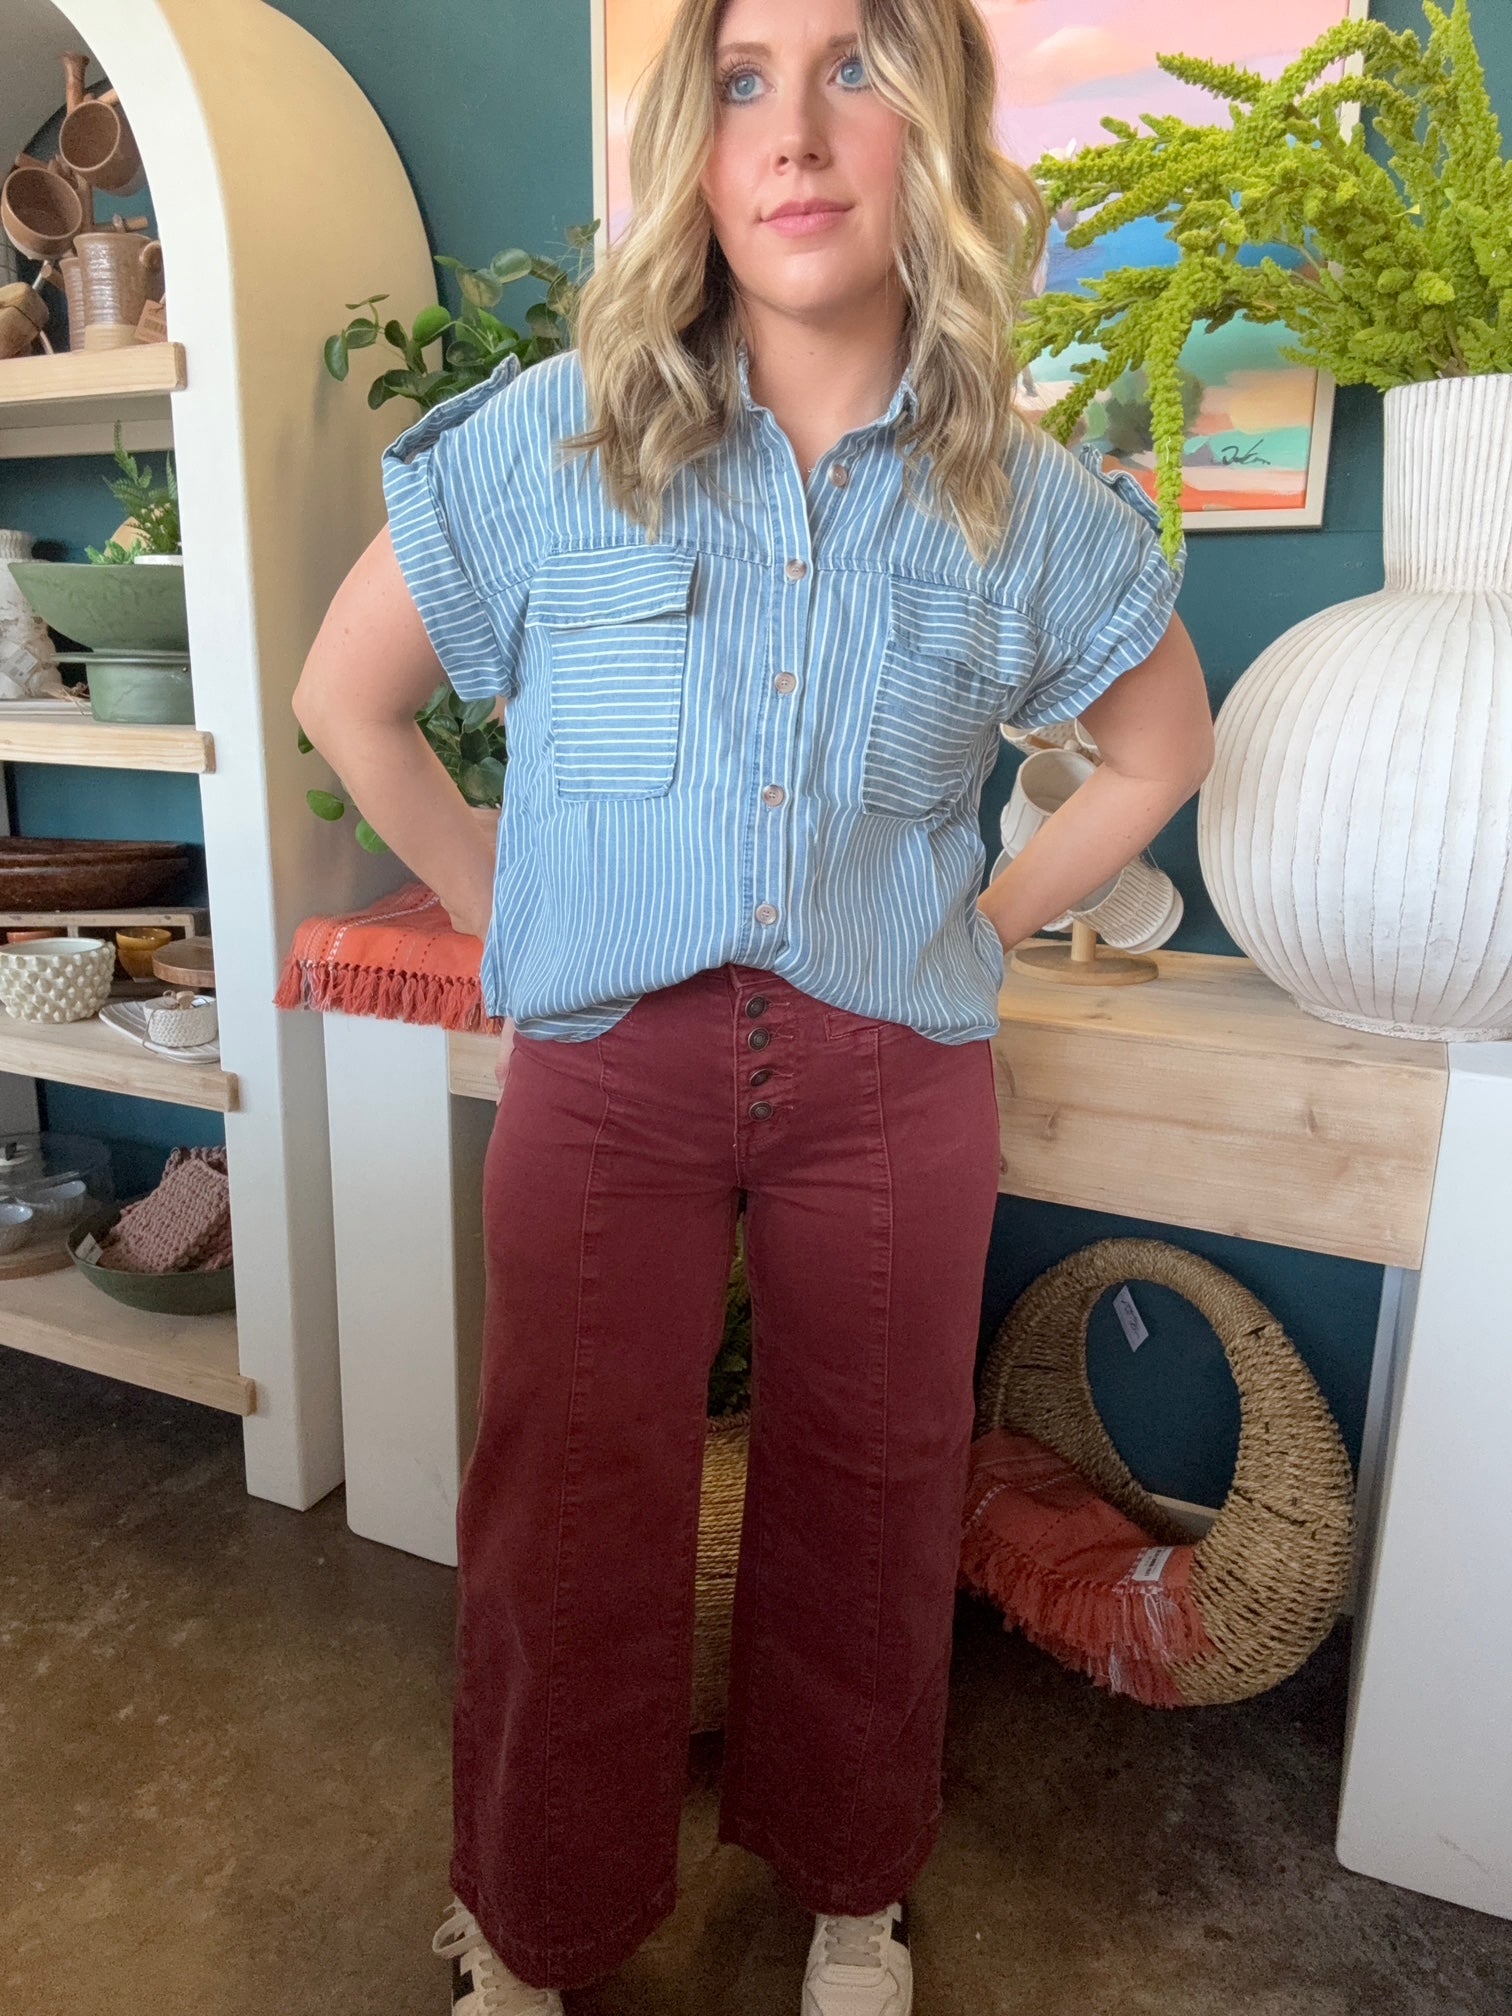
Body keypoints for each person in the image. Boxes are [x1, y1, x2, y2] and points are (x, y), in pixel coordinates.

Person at [293, 0, 1213, 2008]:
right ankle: (536, 1926)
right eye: (739, 81)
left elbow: (1159, 746)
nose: (796, 129)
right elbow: (344, 701)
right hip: (605, 1075)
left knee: (878, 1493)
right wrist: (510, 913)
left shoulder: (1027, 496)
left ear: (938, 130)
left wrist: (984, 915)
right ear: (690, 153)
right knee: (568, 1505)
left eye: (855, 67)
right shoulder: (555, 443)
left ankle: (854, 1889)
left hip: (896, 1076)